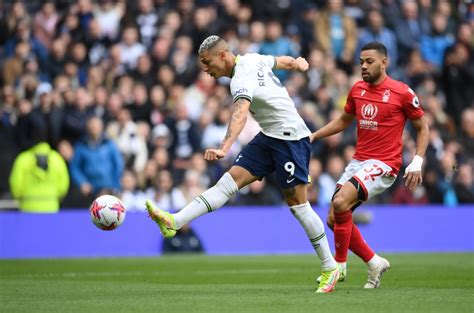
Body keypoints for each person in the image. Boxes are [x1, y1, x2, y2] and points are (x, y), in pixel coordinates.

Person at [146, 35, 341, 293]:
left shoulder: (240, 78)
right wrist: (295, 64)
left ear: (223, 56)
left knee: (299, 207)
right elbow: (277, 61)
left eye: (207, 62)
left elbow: (240, 112)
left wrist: (225, 146)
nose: (205, 69)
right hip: (270, 136)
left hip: (291, 139)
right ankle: (174, 221)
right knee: (228, 182)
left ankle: (330, 267)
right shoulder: (252, 58)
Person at [311, 42, 429, 289]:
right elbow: (344, 120)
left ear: (384, 62)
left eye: (369, 61)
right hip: (359, 162)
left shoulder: (402, 92)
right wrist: (314, 136)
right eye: (361, 61)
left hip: (385, 164)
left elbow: (422, 127)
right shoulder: (357, 90)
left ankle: (338, 267)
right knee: (334, 218)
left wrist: (417, 161)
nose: (363, 66)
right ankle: (374, 262)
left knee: (341, 202)